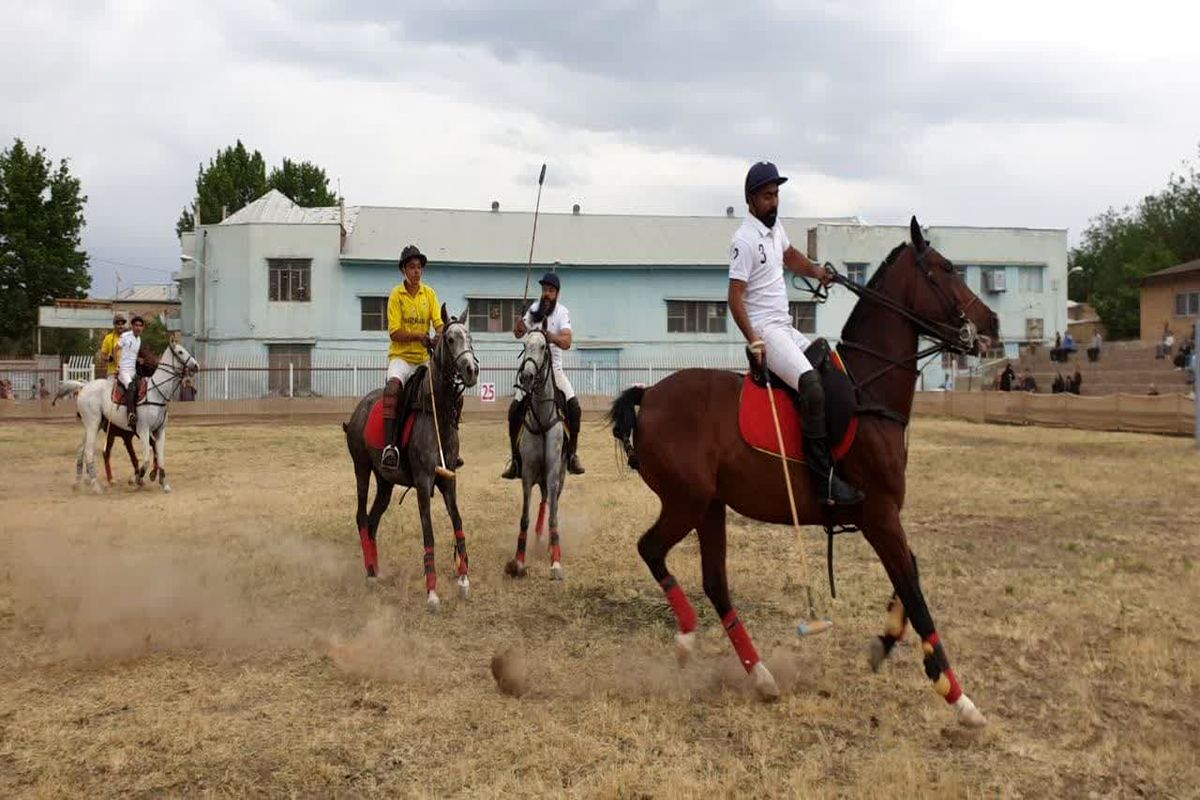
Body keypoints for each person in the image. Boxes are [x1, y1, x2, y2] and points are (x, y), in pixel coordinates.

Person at [726, 161, 861, 505]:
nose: (774, 202)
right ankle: (822, 481)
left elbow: (790, 255)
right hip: (766, 331)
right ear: (751, 199)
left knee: (828, 364)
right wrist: (752, 338)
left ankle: (835, 458)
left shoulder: (775, 229)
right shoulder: (744, 239)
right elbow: (735, 297)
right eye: (768, 196)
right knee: (811, 386)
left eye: (777, 195)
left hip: (785, 326)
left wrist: (816, 271)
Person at [501, 272, 586, 478]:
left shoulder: (562, 313)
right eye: (544, 290)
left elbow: (567, 342)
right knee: (514, 411)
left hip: (553, 370)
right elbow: (518, 333)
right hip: (531, 372)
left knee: (574, 407)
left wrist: (550, 337)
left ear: (557, 293)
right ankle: (515, 460)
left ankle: (573, 455)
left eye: (550, 290)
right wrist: (519, 324)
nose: (546, 294)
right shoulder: (533, 310)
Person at [380, 245, 443, 471]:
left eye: (419, 267)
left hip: (424, 361)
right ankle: (390, 447)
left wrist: (439, 337)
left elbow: (439, 324)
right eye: (412, 267)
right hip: (402, 359)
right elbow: (395, 332)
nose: (417, 271)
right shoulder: (396, 295)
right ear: (404, 270)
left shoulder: (430, 294)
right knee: (393, 390)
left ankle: (446, 446)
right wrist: (419, 335)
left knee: (443, 391)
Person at [118, 316, 145, 427]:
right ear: (132, 326)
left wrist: (139, 359)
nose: (138, 328)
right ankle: (130, 415)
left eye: (140, 326)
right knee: (130, 387)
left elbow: (133, 355)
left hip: (133, 371)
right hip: (123, 370)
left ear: (143, 328)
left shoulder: (139, 340)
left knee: (142, 388)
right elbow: (116, 349)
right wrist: (116, 365)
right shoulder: (125, 336)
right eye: (136, 325)